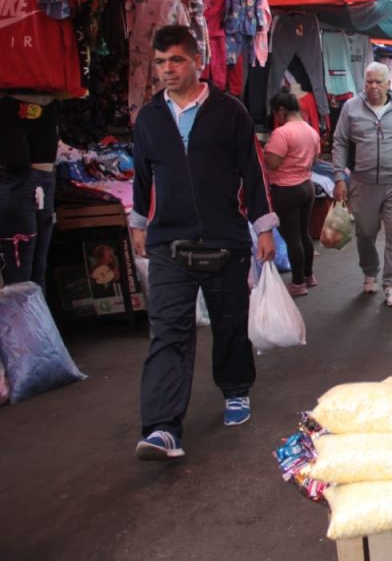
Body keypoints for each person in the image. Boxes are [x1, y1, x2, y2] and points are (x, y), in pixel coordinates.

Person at [130, 25, 278, 460]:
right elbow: (142, 175)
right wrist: (140, 222)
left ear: (198, 61)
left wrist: (263, 227)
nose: (166, 70)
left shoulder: (230, 111)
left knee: (230, 323)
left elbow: (253, 173)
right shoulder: (150, 118)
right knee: (168, 333)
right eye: (159, 62)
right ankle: (161, 428)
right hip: (168, 244)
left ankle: (235, 389)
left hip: (225, 239)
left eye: (175, 60)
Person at [332, 61, 392, 307]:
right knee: (366, 233)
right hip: (363, 183)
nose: (373, 87)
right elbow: (339, 142)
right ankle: (370, 271)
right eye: (369, 81)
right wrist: (339, 176)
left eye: (378, 82)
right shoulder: (351, 107)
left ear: (388, 84)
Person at [265, 89, 321, 297]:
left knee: (293, 237)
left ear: (281, 111)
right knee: (304, 233)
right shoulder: (310, 131)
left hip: (286, 189)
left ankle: (298, 283)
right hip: (307, 186)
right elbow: (315, 160)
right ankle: (308, 275)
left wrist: (264, 153)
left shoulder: (283, 133)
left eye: (275, 113)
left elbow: (273, 162)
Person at [0, 96, 58, 286]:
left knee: (37, 265)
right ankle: (23, 309)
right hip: (8, 102)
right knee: (22, 267)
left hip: (46, 101)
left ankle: (32, 308)